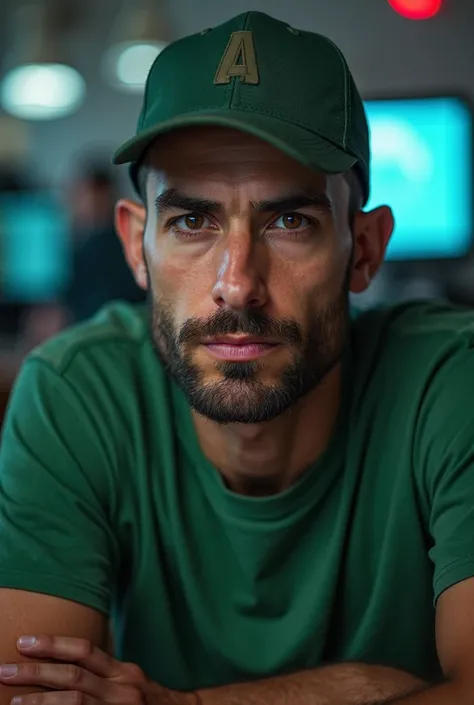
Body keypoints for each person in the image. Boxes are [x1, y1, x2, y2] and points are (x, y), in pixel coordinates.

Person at [0, 10, 472, 705]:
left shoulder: (451, 380)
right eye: (193, 221)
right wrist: (362, 687)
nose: (237, 284)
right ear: (136, 246)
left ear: (364, 249)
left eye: (290, 221)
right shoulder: (77, 394)